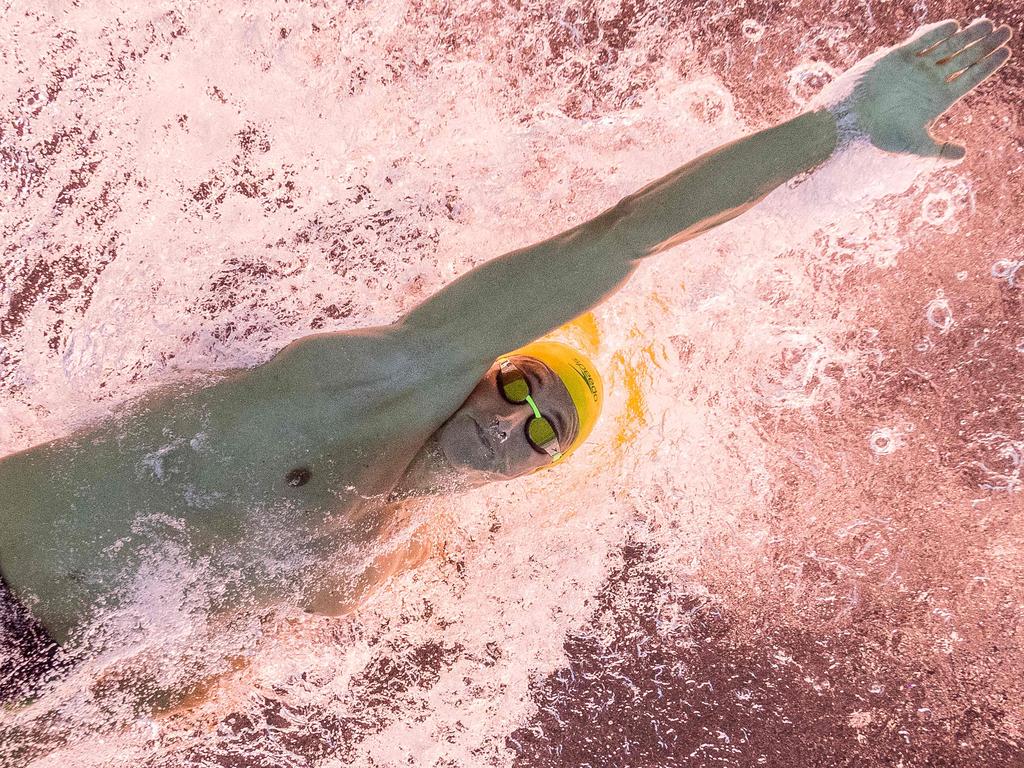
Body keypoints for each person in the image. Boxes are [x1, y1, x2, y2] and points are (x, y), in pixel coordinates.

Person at [0, 19, 1012, 702]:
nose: (513, 418)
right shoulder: (375, 384)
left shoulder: (363, 563)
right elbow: (621, 236)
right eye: (521, 383)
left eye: (548, 429)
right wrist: (835, 128)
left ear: (548, 472)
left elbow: (179, 687)